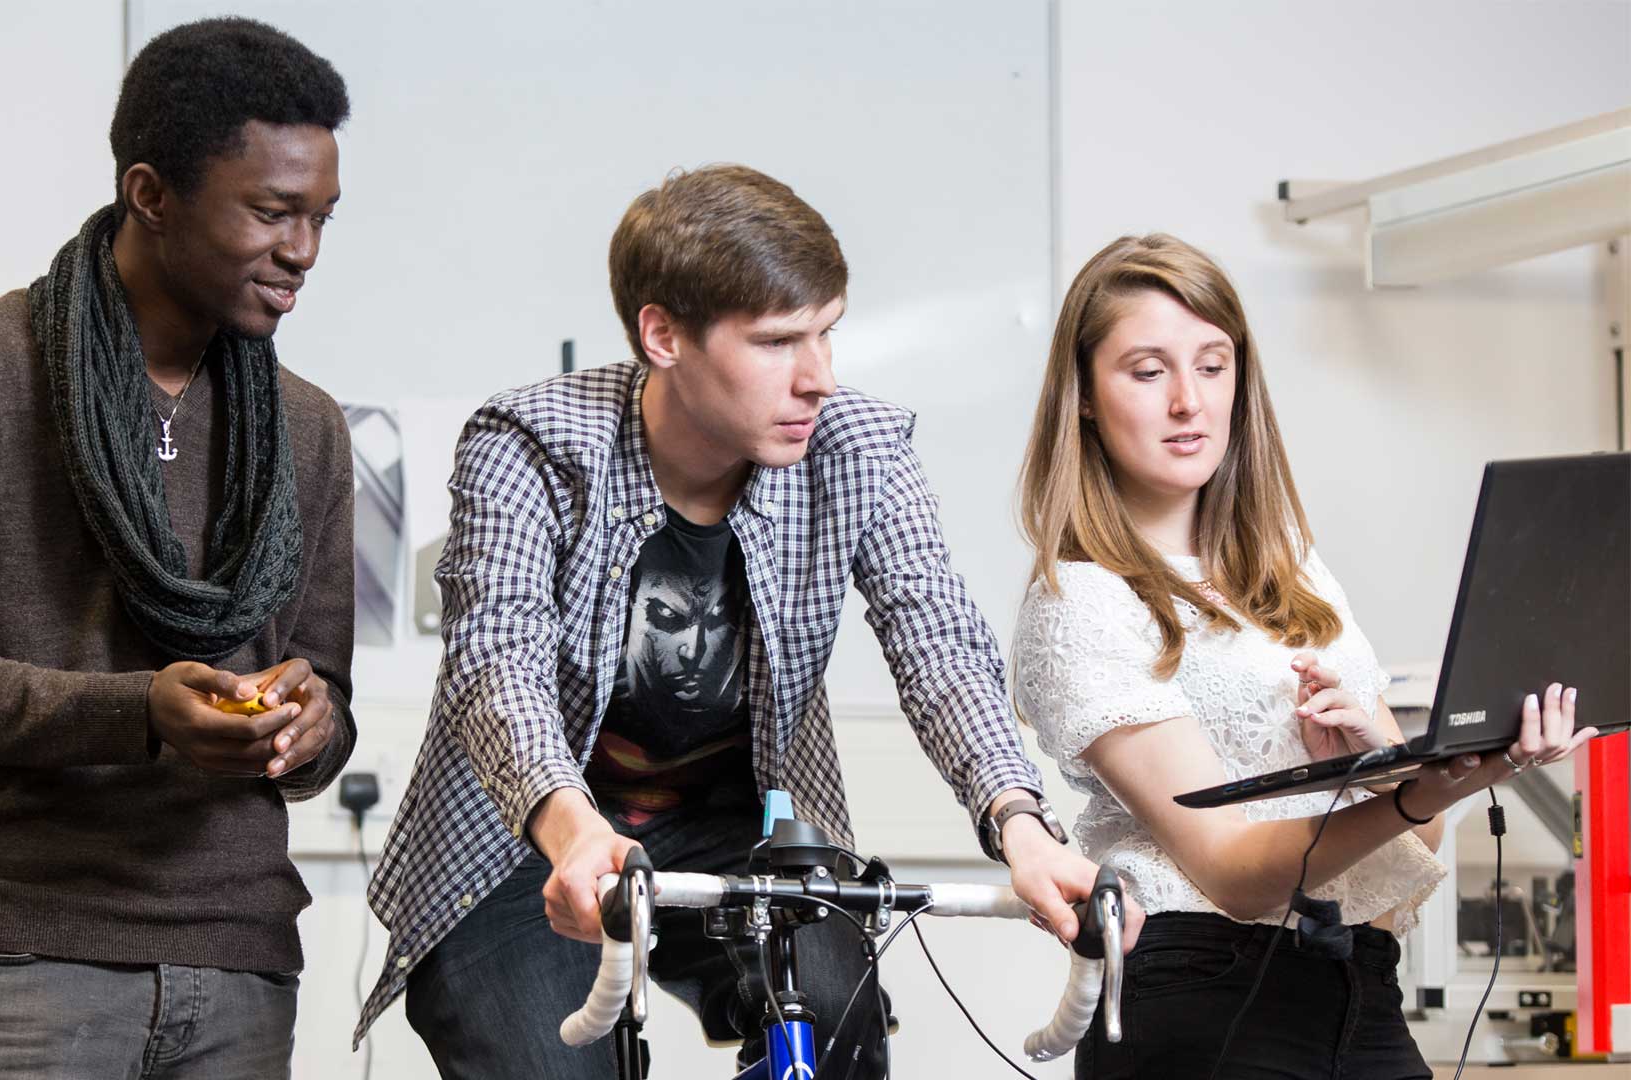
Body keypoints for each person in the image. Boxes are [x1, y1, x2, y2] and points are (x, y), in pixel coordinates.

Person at [356, 164, 1141, 1078]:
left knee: (839, 1028)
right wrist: (574, 835)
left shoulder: (858, 448)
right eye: (777, 342)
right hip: (536, 843)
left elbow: (940, 647)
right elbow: (498, 665)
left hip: (743, 828)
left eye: (827, 334)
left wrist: (1021, 825)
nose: (818, 378)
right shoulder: (532, 446)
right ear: (663, 335)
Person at [0, 18, 357, 1078]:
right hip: (21, 956)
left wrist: (309, 726)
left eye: (320, 217)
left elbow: (329, 693)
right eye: (270, 211)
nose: (302, 251)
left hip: (243, 962)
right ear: (151, 193)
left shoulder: (306, 427)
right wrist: (139, 715)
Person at [1009, 233, 1597, 1078]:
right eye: (1148, 371)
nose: (1189, 401)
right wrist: (1411, 790)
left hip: (1361, 984)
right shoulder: (1083, 602)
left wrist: (1429, 771)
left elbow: (1407, 839)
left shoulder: (1294, 571)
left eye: (1213, 366)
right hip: (1206, 992)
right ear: (1087, 399)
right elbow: (1236, 878)